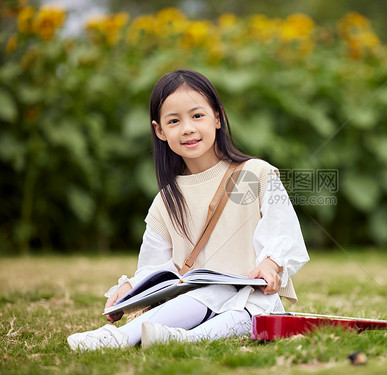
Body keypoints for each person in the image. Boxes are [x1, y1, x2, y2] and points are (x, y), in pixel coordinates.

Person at [67, 69, 309, 350]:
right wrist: (130, 290)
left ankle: (177, 339)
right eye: (174, 121)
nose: (188, 128)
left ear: (217, 117)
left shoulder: (256, 173)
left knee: (243, 310)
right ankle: (118, 337)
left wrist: (271, 264)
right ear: (160, 131)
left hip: (254, 302)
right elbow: (155, 268)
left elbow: (284, 231)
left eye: (197, 116)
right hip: (192, 305)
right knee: (206, 294)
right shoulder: (166, 200)